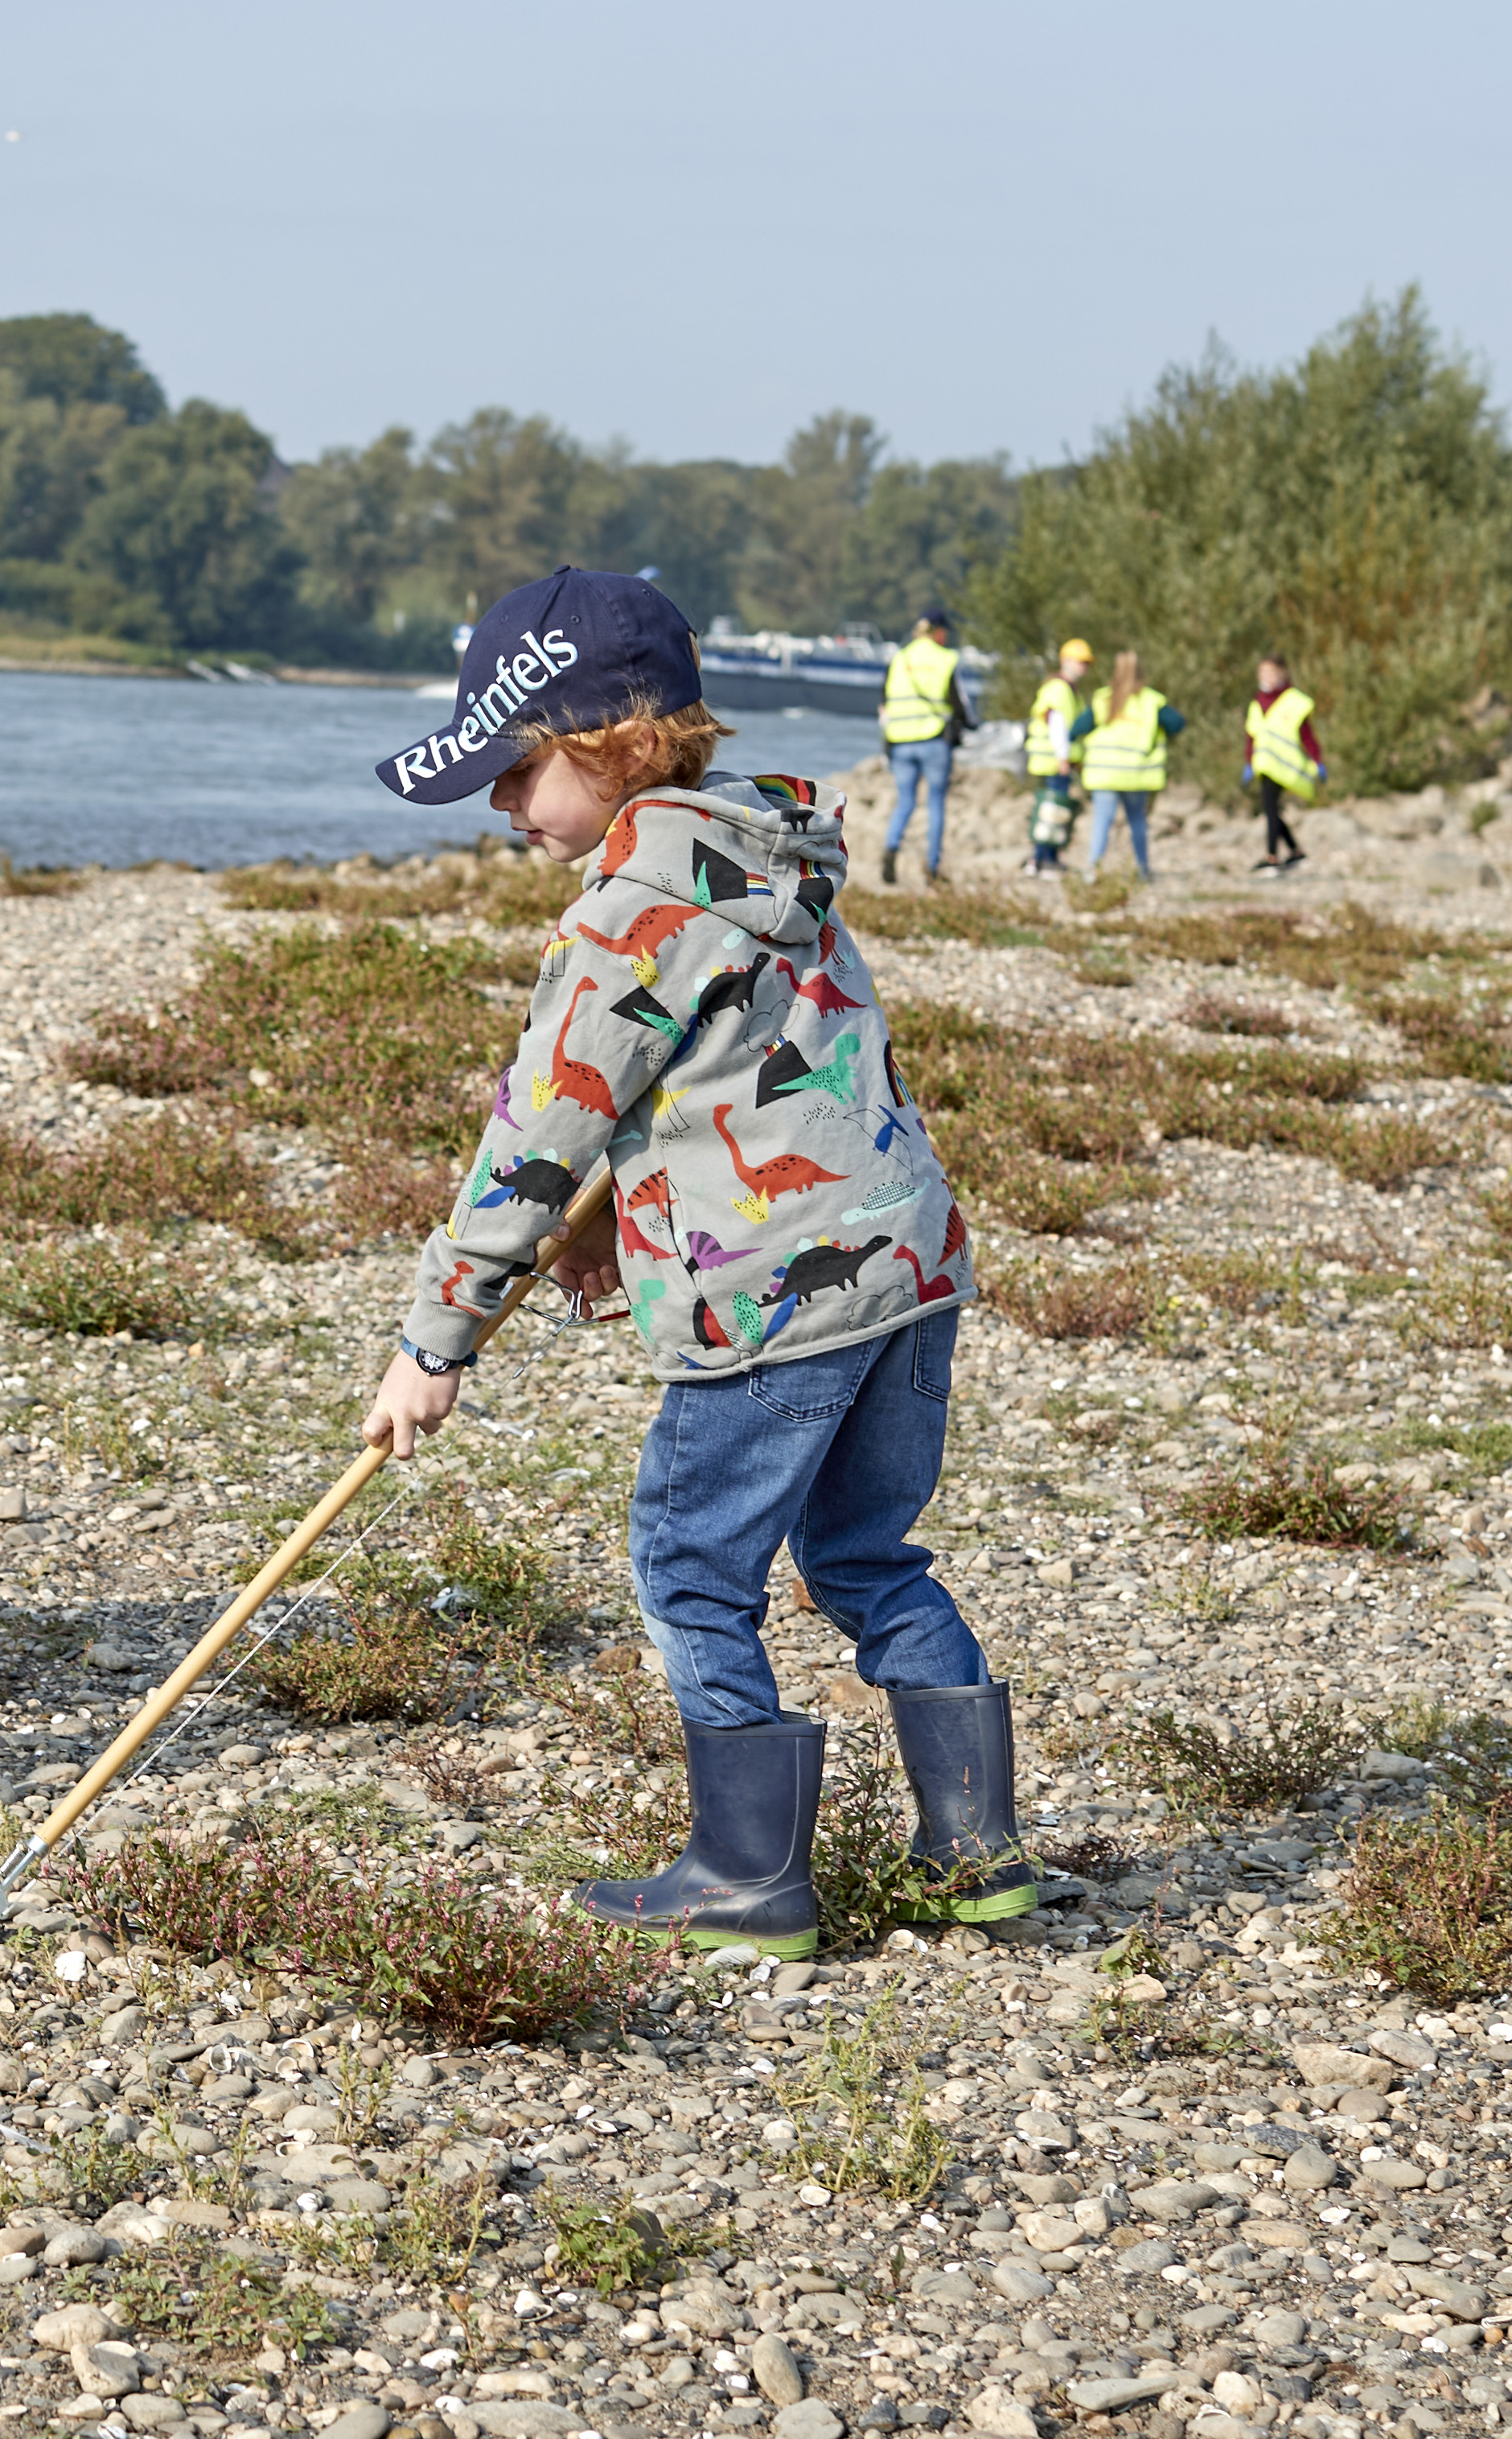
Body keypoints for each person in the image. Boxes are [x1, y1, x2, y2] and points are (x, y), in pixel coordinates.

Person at [363, 566, 1037, 1953]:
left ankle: (746, 1870)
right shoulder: (773, 860)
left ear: (612, 745)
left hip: (771, 1298)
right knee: (862, 1551)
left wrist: (436, 1340)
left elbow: (533, 1135)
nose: (502, 807)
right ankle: (975, 1851)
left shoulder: (630, 913)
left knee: (687, 1560)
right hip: (906, 1268)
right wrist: (622, 1213)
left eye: (516, 769)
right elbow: (761, 1075)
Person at [874, 607, 966, 886]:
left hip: (900, 741)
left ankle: (891, 848)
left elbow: (884, 699)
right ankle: (933, 866)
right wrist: (966, 729)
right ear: (939, 632)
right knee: (936, 803)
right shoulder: (945, 658)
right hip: (933, 739)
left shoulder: (900, 658)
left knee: (905, 802)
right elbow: (958, 702)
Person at [1081, 650, 1189, 884]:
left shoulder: (1103, 699)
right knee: (1137, 821)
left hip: (1105, 773)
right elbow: (1177, 723)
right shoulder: (1151, 701)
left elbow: (1078, 727)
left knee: (1102, 821)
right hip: (1136, 773)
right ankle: (1142, 869)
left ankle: (1093, 870)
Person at [1242, 652, 1328, 873]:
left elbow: (1307, 735)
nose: (1266, 677)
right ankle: (1295, 851)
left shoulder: (1294, 702)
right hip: (1265, 766)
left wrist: (1317, 760)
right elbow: (1252, 735)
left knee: (1270, 810)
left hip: (1285, 767)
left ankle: (1272, 857)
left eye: (1270, 672)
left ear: (1282, 673)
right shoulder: (1257, 702)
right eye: (1262, 672)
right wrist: (1248, 762)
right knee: (1272, 810)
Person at [1025, 638, 1090, 874]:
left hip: (1055, 760)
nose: (1083, 667)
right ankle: (1043, 859)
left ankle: (1041, 859)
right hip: (1053, 760)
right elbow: (1057, 725)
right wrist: (1063, 757)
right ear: (1066, 661)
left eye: (1086, 663)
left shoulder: (1069, 690)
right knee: (1054, 810)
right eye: (1080, 661)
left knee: (1052, 809)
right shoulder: (1059, 689)